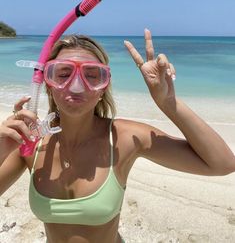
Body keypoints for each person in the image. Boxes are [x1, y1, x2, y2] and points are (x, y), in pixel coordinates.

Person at [0, 29, 235, 243]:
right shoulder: (31, 144)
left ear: (104, 88)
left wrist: (168, 103)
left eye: (92, 75)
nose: (76, 85)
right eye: (63, 73)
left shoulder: (125, 138)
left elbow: (222, 164)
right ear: (48, 84)